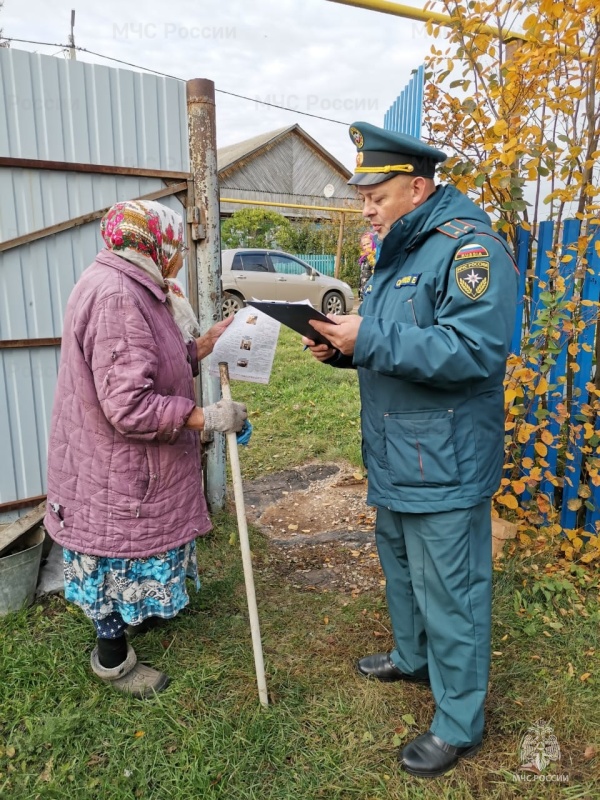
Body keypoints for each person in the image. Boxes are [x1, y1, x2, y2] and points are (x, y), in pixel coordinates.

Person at [303, 122, 518, 778]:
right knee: (399, 565)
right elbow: (397, 341)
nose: (365, 204)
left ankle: (460, 723)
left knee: (452, 589)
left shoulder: (469, 249)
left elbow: (475, 351)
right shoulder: (402, 249)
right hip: (400, 452)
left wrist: (367, 339)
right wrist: (345, 350)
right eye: (362, 193)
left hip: (445, 460)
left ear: (419, 187)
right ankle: (413, 656)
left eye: (377, 192)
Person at [44, 200, 247, 699]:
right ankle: (112, 661)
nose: (177, 256)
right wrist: (206, 417)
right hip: (116, 466)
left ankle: (129, 625)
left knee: (120, 554)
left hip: (110, 460)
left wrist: (200, 347)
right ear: (155, 243)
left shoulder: (125, 282)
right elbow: (130, 405)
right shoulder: (118, 296)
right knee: (112, 555)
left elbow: (146, 360)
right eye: (174, 245)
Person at [358, 230, 377, 300]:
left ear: (373, 243)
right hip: (364, 292)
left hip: (371, 293)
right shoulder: (364, 258)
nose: (366, 247)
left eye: (368, 244)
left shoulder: (374, 257)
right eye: (364, 245)